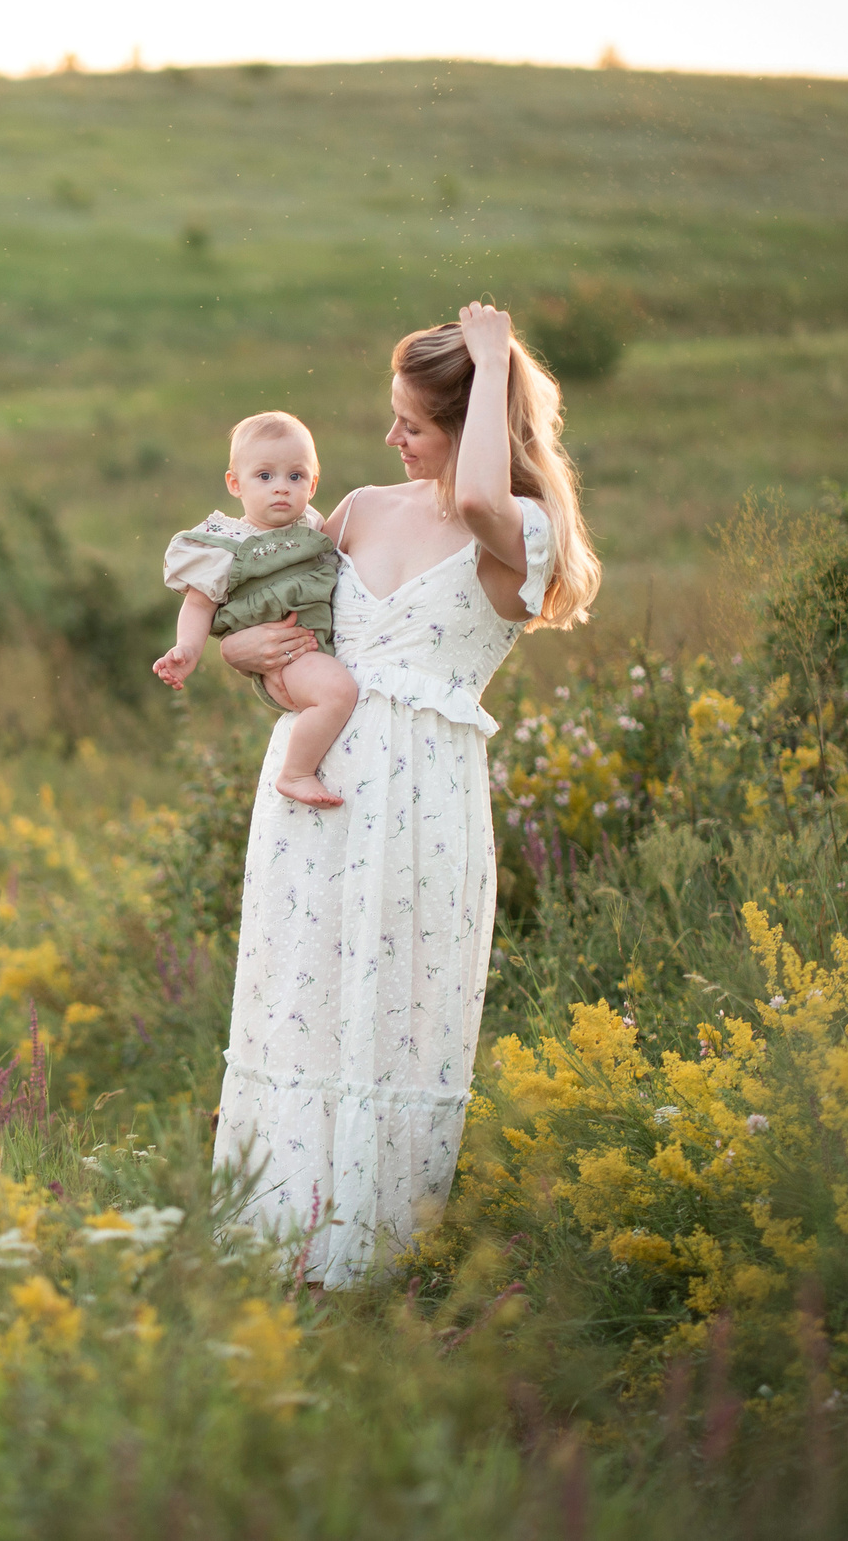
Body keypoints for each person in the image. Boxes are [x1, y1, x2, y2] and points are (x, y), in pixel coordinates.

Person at [209, 302, 602, 1289]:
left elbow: (474, 501)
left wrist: (489, 357)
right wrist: (242, 656)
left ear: (472, 429)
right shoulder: (358, 509)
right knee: (300, 997)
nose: (389, 439)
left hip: (421, 798)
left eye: (413, 424)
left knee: (390, 1012)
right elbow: (285, 642)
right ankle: (270, 1245)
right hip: (316, 784)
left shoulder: (520, 529)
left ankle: (368, 1263)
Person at [152, 411, 360, 808]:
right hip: (287, 660)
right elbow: (198, 605)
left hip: (310, 651)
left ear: (313, 483)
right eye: (265, 477)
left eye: (295, 477)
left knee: (336, 692)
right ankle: (295, 772)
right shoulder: (225, 546)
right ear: (235, 484)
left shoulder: (314, 528)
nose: (281, 488)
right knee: (339, 691)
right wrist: (188, 650)